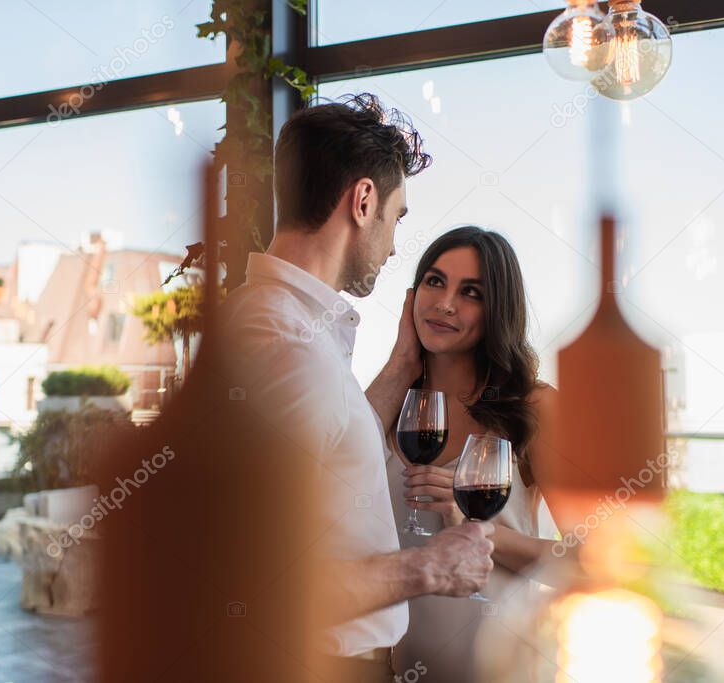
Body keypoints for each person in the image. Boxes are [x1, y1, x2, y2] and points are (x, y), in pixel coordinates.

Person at [220, 95, 496, 683]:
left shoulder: (282, 325)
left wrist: (400, 364)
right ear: (364, 200)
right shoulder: (283, 344)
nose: (396, 246)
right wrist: (430, 570)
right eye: (397, 217)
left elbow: (330, 451)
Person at [366, 226, 561, 681]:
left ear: (497, 310)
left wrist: (479, 526)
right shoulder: (390, 405)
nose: (445, 303)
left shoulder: (534, 408)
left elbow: (589, 561)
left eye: (470, 291)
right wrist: (400, 360)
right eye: (435, 282)